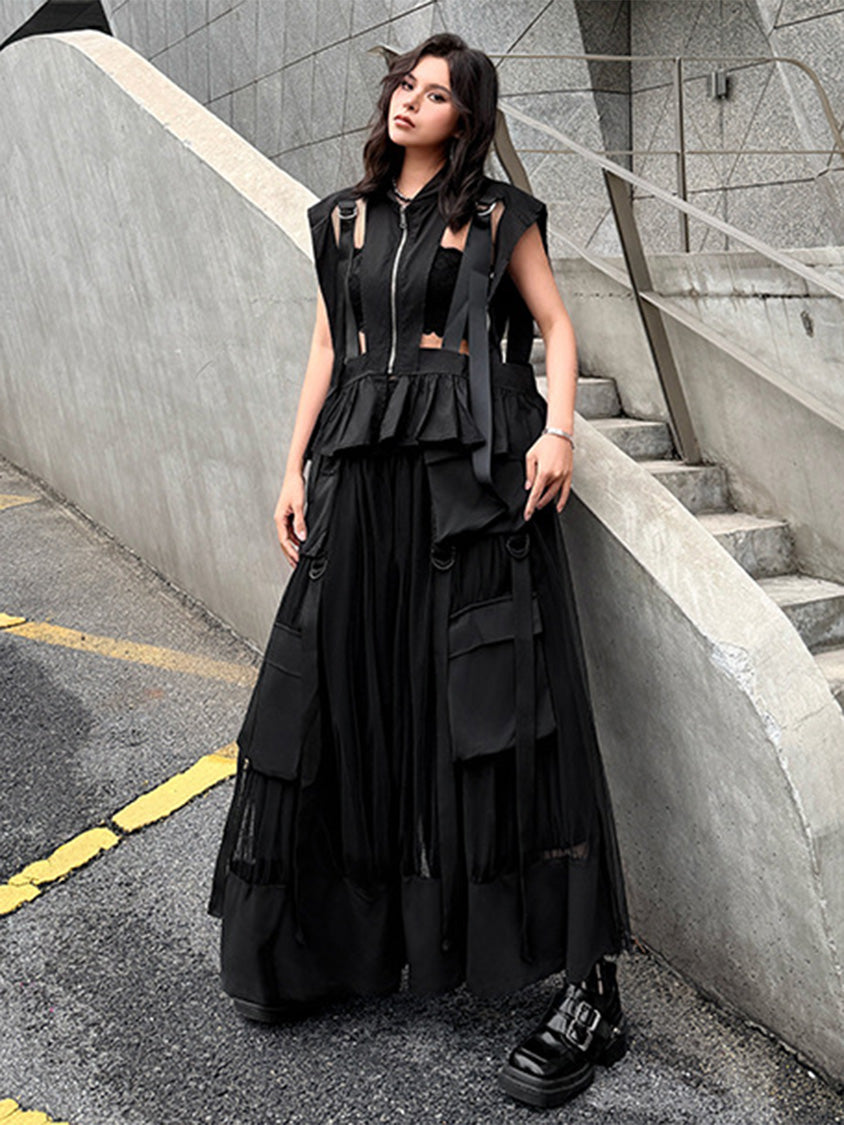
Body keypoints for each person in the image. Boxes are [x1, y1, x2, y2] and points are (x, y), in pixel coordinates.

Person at [208, 31, 634, 1110]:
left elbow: (554, 327)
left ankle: (589, 987)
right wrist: (293, 469)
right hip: (360, 478)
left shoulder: (496, 216)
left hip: (473, 486)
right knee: (334, 693)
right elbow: (327, 347)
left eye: (435, 93)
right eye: (405, 82)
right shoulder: (342, 221)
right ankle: (333, 944)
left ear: (466, 118)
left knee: (502, 708)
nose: (409, 99)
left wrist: (560, 432)